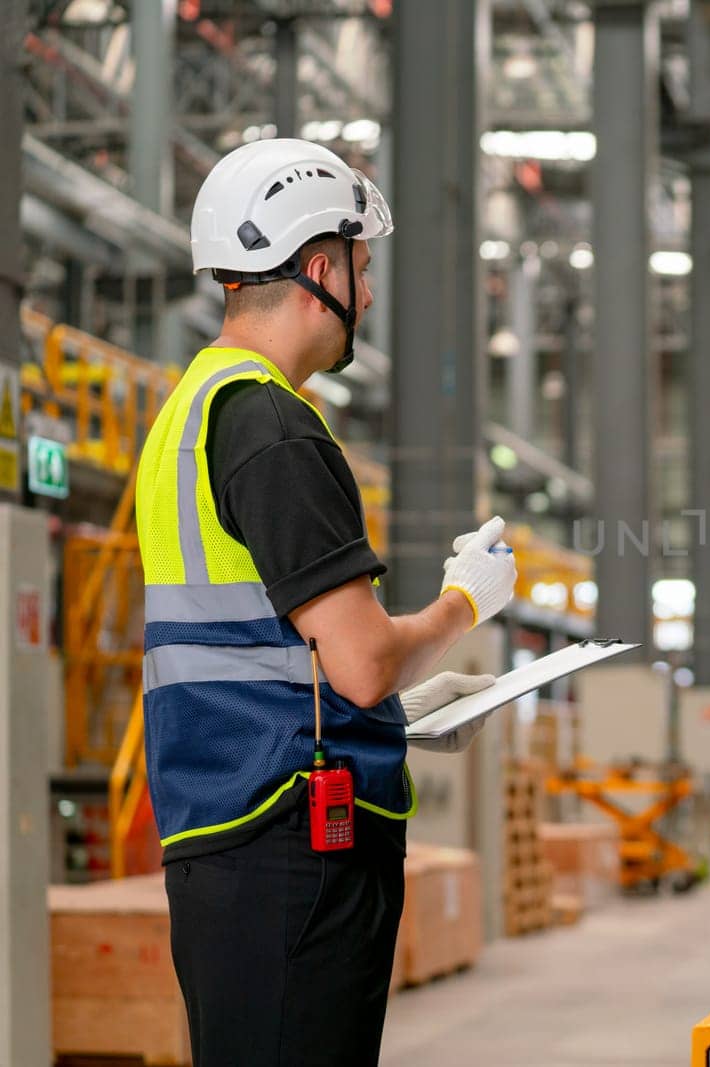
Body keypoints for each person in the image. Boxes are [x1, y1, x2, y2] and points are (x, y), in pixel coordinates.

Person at [135, 138, 519, 1066]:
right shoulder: (272, 426)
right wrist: (464, 603)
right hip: (290, 845)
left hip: (232, 834)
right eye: (363, 264)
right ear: (319, 267)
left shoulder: (191, 411)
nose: (371, 292)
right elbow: (359, 658)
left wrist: (396, 711)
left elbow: (277, 649)